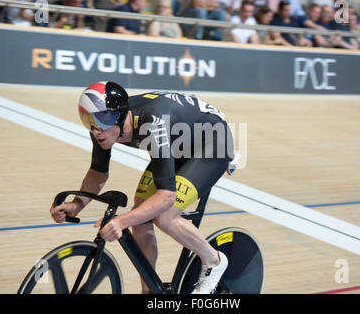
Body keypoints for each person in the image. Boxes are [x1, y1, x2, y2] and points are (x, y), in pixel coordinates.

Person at [50, 81, 235, 294]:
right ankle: (149, 290)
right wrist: (77, 205)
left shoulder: (152, 122)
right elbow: (98, 172)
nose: (95, 129)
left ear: (119, 116)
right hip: (177, 144)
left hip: (212, 143)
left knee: (165, 216)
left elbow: (166, 197)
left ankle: (214, 260)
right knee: (141, 215)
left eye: (101, 120)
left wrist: (121, 221)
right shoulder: (103, 127)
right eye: (88, 121)